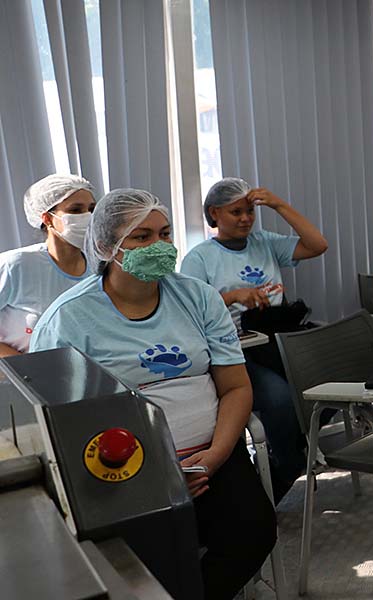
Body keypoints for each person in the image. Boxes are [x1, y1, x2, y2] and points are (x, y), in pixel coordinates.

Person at [30, 189, 275, 600]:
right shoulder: (68, 319)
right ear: (108, 246)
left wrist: (215, 456)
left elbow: (235, 386)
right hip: (122, 468)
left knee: (253, 534)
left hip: (210, 457)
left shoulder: (198, 297)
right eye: (142, 237)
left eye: (164, 234)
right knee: (141, 560)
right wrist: (153, 472)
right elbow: (59, 422)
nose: (159, 246)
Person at [180, 177, 327, 502]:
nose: (246, 218)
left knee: (330, 386)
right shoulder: (200, 258)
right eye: (236, 212)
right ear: (214, 214)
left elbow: (318, 245)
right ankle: (281, 473)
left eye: (250, 211)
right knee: (279, 401)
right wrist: (232, 296)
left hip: (277, 337)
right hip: (237, 351)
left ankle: (294, 453)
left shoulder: (264, 242)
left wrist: (278, 204)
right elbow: (187, 312)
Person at [0, 174, 96, 357]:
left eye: (92, 209)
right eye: (76, 210)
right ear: (47, 218)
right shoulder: (17, 266)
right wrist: (26, 368)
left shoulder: (101, 266)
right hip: (21, 375)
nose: (88, 216)